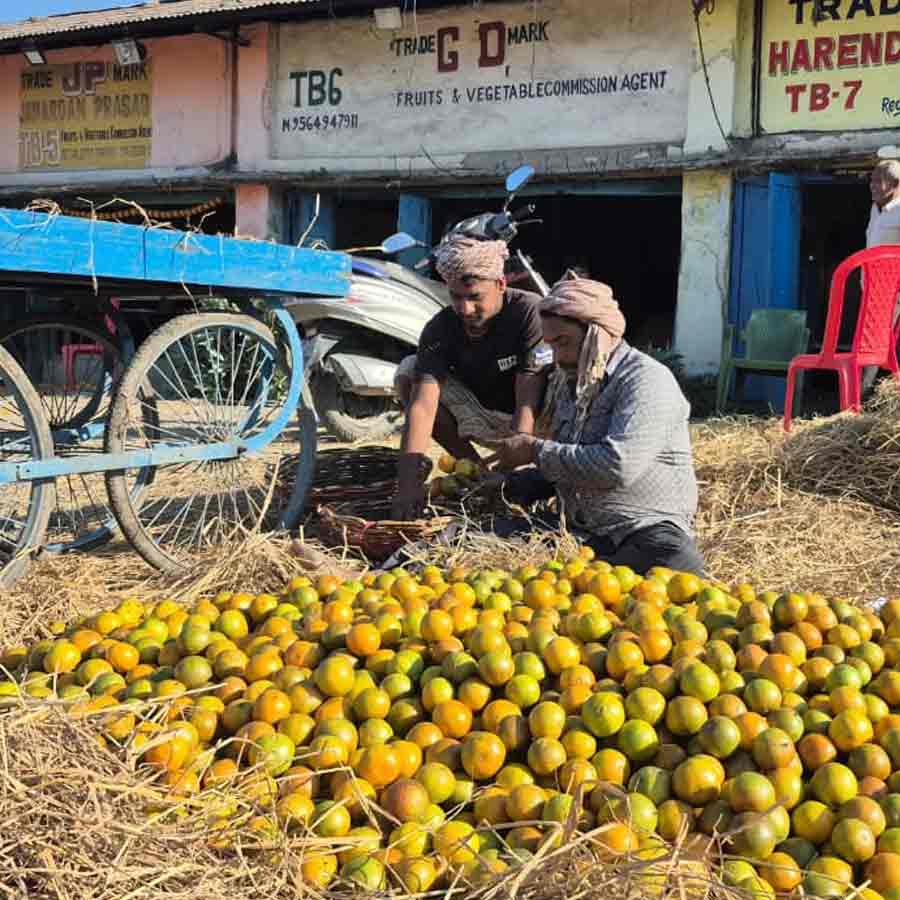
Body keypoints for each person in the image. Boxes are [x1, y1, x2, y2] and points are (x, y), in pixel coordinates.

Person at [486, 272, 705, 575]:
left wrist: (535, 450)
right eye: (552, 345)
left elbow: (617, 466)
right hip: (580, 533)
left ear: (596, 334)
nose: (559, 357)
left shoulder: (645, 380)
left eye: (564, 342)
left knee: (663, 570)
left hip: (642, 533)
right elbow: (575, 460)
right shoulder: (572, 380)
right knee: (479, 541)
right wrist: (514, 484)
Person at [391, 236, 550, 519]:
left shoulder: (528, 310)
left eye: (475, 296)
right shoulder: (440, 328)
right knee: (408, 370)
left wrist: (520, 443)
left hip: (539, 420)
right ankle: (477, 472)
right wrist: (407, 483)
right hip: (483, 416)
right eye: (456, 297)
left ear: (500, 284)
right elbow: (423, 406)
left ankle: (535, 480)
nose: (464, 309)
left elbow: (531, 380)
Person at [862, 160, 900, 394]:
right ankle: (860, 405)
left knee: (886, 349)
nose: (872, 185)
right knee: (872, 348)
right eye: (871, 180)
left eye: (878, 180)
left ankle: (863, 400)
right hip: (872, 295)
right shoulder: (875, 211)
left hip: (895, 296)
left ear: (895, 184)